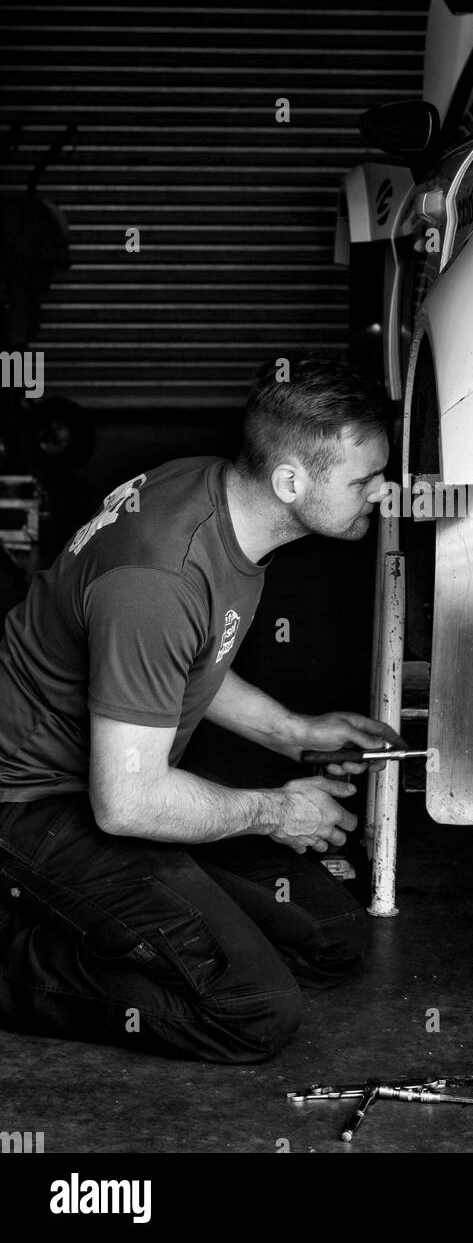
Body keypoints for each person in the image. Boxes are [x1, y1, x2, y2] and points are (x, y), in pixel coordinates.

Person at [0, 356, 402, 1063]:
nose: (382, 491)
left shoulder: (220, 501)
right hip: (35, 803)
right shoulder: (158, 576)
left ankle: (104, 913)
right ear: (291, 482)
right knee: (251, 1013)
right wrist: (278, 811)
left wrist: (292, 731)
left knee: (331, 938)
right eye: (363, 479)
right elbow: (127, 804)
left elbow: (187, 662)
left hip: (118, 777)